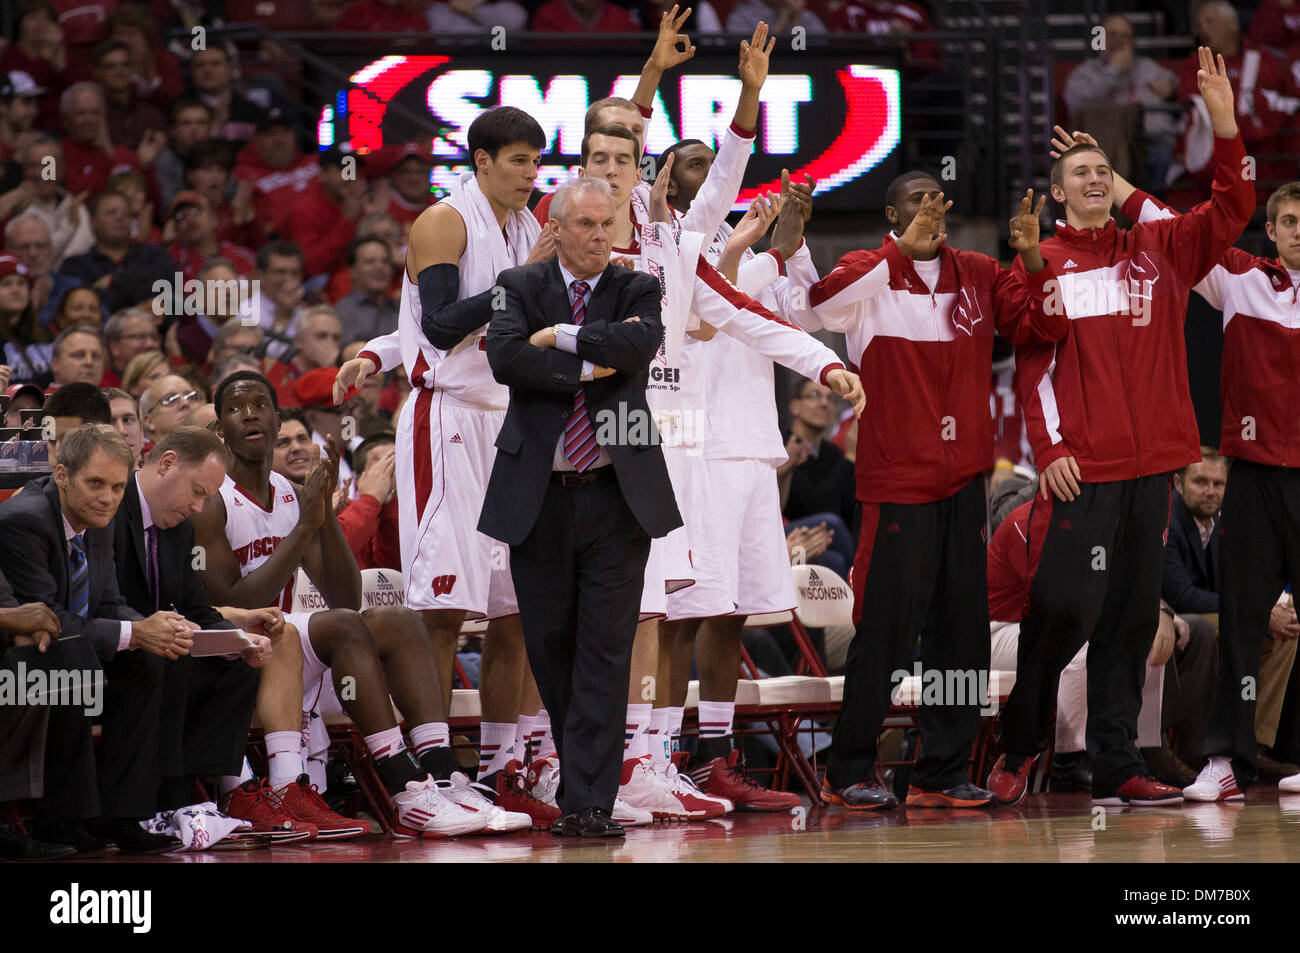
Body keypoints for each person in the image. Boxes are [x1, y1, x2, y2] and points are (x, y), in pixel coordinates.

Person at [987, 48, 1254, 807]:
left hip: (1153, 468)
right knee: (1064, 611)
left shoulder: (1161, 249)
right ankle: (1020, 741)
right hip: (1085, 469)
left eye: (1104, 170)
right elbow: (1030, 361)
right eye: (1080, 173)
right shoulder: (1044, 263)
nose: (1095, 179)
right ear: (1057, 192)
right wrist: (1052, 450)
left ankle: (1114, 766)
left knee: (1133, 624)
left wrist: (1223, 121)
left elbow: (1232, 209)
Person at [806, 168, 1065, 810]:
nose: (932, 214)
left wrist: (1031, 254)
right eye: (916, 206)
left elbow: (1041, 326)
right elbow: (818, 300)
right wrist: (900, 250)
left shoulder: (977, 270)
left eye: (937, 203)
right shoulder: (870, 272)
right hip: (896, 480)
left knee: (961, 631)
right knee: (888, 630)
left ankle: (940, 770)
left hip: (964, 479)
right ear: (892, 218)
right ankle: (849, 768)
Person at [333, 107, 557, 828]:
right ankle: (432, 771)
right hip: (449, 420)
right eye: (519, 160)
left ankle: (496, 769)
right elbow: (435, 323)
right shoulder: (443, 221)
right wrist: (526, 281)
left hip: (512, 420)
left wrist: (373, 350)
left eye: (536, 161)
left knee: (513, 607)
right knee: (441, 602)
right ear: (482, 160)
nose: (531, 174)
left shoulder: (528, 225)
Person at [194, 371, 517, 836]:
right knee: (341, 626)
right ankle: (404, 787)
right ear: (220, 428)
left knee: (397, 620)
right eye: (236, 408)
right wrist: (304, 528)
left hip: (292, 660)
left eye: (260, 405)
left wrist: (321, 514)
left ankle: (442, 772)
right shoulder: (214, 501)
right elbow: (231, 601)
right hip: (236, 660)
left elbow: (344, 597)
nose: (250, 415)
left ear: (276, 415)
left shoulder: (290, 492)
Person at [480, 176, 678, 837]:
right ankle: (576, 782)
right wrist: (592, 361)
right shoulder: (517, 284)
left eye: (608, 223)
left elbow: (637, 346)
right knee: (551, 645)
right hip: (537, 496)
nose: (600, 236)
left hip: (618, 495)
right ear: (557, 228)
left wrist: (558, 336)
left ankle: (589, 802)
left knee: (605, 647)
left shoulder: (637, 286)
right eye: (587, 224)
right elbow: (507, 358)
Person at [1116, 170, 1300, 800]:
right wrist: (1112, 181)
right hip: (1251, 474)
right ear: (1271, 231)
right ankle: (1226, 762)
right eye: (1290, 223)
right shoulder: (1241, 278)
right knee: (1244, 621)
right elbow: (1170, 226)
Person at [0, 423, 189, 854]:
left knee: (154, 656)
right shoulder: (24, 520)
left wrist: (153, 627)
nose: (107, 496)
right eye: (96, 483)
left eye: (118, 486)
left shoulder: (99, 519)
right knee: (73, 659)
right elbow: (47, 621)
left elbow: (107, 602)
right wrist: (133, 631)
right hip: (29, 660)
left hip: (74, 651)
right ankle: (61, 821)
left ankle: (122, 815)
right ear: (62, 475)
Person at [109, 427, 274, 829]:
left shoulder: (179, 527)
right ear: (167, 464)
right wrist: (146, 629)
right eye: (197, 492)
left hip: (159, 647)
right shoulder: (110, 504)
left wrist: (238, 641)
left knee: (237, 667)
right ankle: (145, 807)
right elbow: (99, 597)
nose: (200, 508)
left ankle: (185, 796)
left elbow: (195, 606)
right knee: (165, 659)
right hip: (114, 645)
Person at [100, 308, 162, 388]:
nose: (150, 344)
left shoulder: (169, 381)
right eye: (139, 337)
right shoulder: (105, 391)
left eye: (154, 337)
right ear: (114, 347)